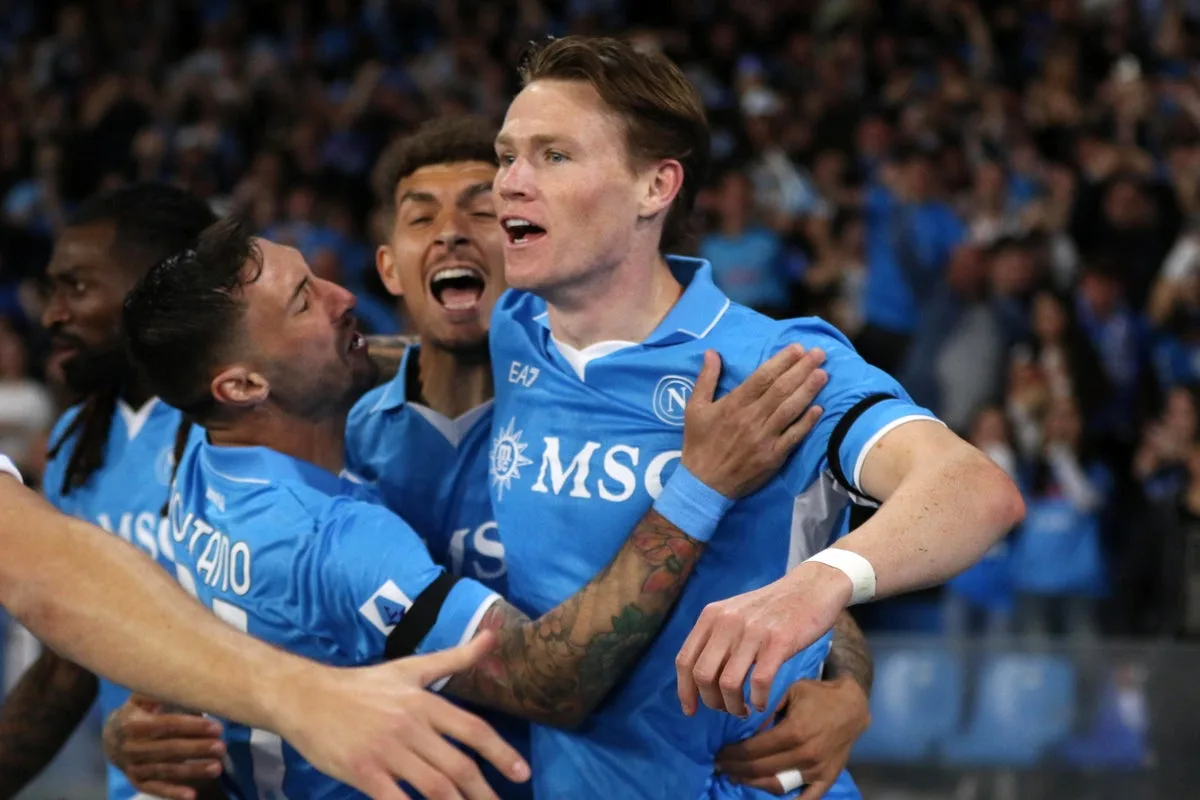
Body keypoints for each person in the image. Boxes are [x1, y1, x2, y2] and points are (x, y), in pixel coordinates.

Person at [107, 118, 873, 800]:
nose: (450, 234)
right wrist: (148, 722)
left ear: (528, 245)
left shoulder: (661, 414)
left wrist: (846, 688)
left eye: (483, 210)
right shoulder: (343, 438)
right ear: (390, 268)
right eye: (421, 216)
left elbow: (779, 572)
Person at [486, 36, 1023, 798]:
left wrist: (820, 586)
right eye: (506, 156)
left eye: (553, 156)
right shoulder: (513, 331)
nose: (510, 183)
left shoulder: (772, 363)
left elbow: (974, 489)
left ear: (655, 187)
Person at [0, 455, 529, 800]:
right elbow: (50, 579)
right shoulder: (325, 528)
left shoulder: (210, 461)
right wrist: (302, 695)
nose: (344, 311)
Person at [0, 183, 218, 800]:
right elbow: (68, 665)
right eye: (51, 290)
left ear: (157, 289)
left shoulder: (241, 423)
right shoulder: (77, 441)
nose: (53, 315)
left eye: (77, 287)